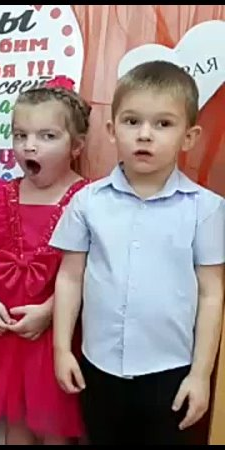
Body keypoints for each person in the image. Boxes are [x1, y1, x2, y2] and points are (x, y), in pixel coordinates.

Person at [51, 60, 225, 445]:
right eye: (132, 121)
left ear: (189, 137)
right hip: (98, 368)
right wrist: (62, 349)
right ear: (112, 130)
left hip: (171, 373)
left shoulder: (207, 209)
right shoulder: (87, 202)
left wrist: (201, 375)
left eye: (163, 124)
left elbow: (212, 294)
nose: (145, 135)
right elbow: (70, 277)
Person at [0, 75, 90, 444]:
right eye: (20, 135)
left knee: (55, 424)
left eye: (47, 136)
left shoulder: (87, 198)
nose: (30, 146)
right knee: (17, 420)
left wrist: (48, 312)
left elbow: (86, 272)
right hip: (8, 330)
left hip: (56, 330)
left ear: (76, 146)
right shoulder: (3, 193)